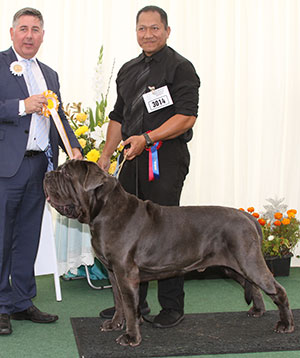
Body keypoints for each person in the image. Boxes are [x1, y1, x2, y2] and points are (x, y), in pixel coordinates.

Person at [97, 5, 200, 328]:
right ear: (136, 32)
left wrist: (148, 137)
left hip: (165, 159)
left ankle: (171, 305)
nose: (148, 34)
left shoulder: (181, 68)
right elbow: (118, 116)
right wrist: (105, 155)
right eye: (142, 28)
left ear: (167, 31)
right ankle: (133, 304)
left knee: (168, 232)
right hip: (130, 160)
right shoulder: (127, 70)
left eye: (155, 28)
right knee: (128, 232)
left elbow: (186, 117)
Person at [0, 7, 82, 335]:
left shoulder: (50, 73)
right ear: (12, 33)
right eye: (24, 28)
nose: (29, 35)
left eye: (36, 29)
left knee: (28, 237)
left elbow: (58, 119)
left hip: (41, 169)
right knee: (2, 238)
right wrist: (22, 106)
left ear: (43, 35)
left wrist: (73, 147)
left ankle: (21, 301)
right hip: (7, 170)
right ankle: (1, 306)